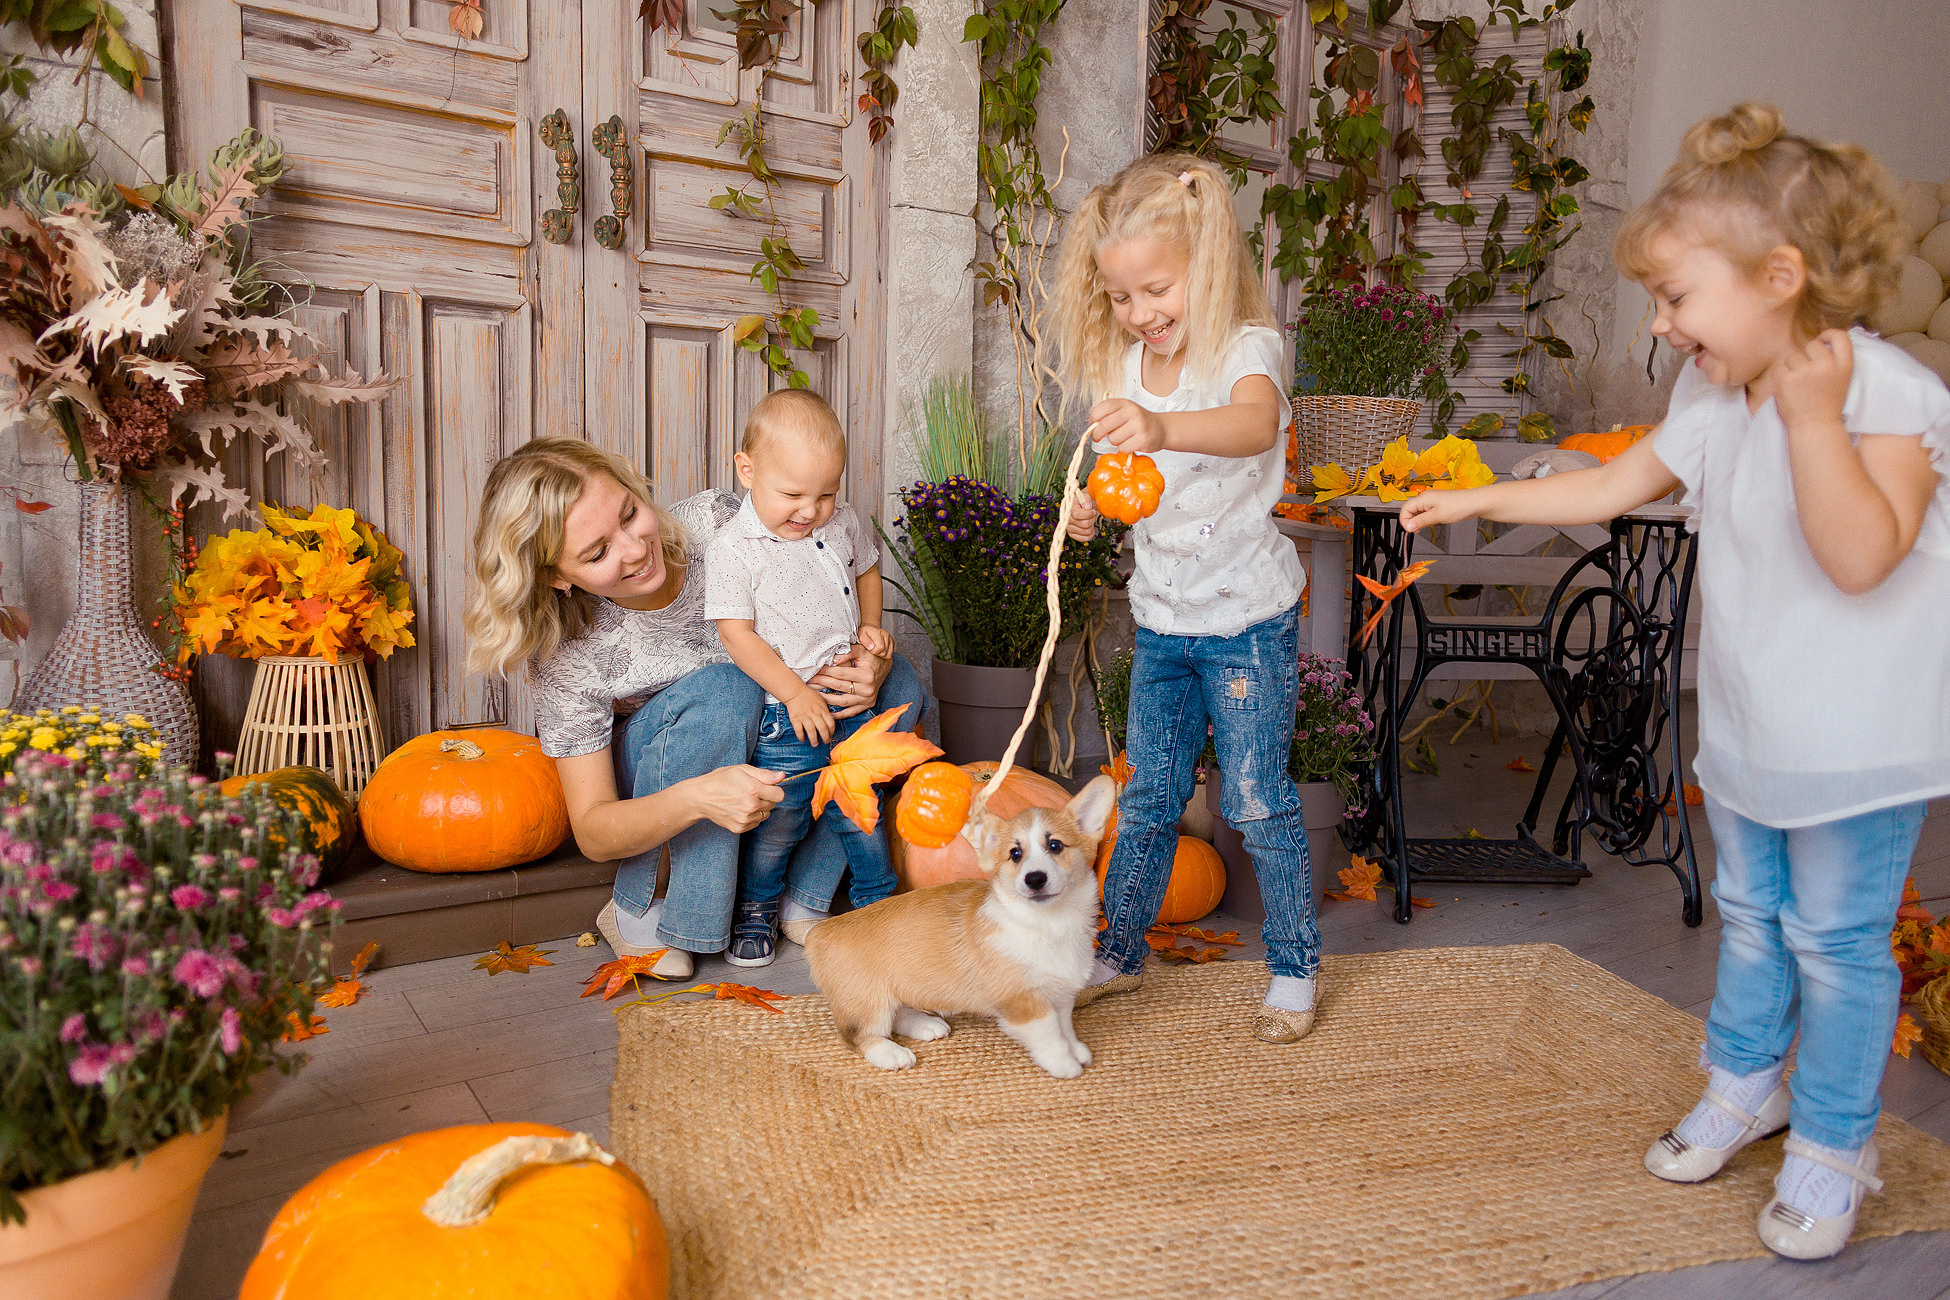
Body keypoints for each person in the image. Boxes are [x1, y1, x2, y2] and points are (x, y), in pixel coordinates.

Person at [1400, 104, 1948, 1261]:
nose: (1661, 322)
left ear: (1780, 278)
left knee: (1837, 941)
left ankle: (1836, 1142)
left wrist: (1809, 420)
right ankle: (1748, 1082)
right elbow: (1611, 489)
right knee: (1752, 918)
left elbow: (1861, 555)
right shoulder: (1711, 399)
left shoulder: (1887, 395)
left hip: (1858, 743)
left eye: (1677, 297)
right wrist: (1481, 498)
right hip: (1754, 728)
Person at [463, 437, 928, 979]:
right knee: (726, 689)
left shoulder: (722, 523)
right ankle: (649, 909)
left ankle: (800, 894)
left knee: (900, 688)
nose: (635, 548)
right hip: (681, 760)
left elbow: (825, 601)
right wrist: (698, 797)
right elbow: (592, 830)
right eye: (597, 553)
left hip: (778, 736)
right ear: (554, 576)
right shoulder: (569, 657)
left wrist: (863, 656)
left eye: (631, 514)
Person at [1052, 153, 1319, 1044]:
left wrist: (1163, 425)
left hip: (1245, 623)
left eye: (1156, 289)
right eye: (1121, 298)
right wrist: (1090, 507)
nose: (1140, 314)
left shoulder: (1246, 348)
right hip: (1163, 620)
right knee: (1151, 793)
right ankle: (1120, 951)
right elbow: (1125, 473)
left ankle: (1294, 963)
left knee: (1252, 796)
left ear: (1202, 266)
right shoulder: (1126, 369)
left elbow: (1253, 426)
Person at [705, 390, 913, 968]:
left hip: (850, 703)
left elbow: (868, 565)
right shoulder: (734, 548)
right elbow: (735, 633)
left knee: (860, 807)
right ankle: (757, 905)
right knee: (783, 819)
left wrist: (871, 627)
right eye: (792, 495)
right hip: (788, 713)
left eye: (826, 493)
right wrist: (794, 693)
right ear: (747, 471)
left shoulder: (840, 521)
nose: (810, 510)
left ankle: (880, 909)